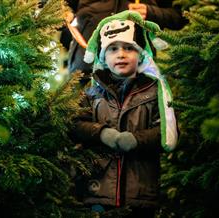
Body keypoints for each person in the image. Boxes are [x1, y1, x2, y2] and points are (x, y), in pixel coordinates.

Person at [69, 11, 178, 217]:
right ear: (103, 56)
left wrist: (137, 139)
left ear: (141, 55)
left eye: (129, 48)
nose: (121, 54)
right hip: (97, 190)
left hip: (140, 194)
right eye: (113, 49)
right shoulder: (91, 92)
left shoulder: (155, 92)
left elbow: (164, 130)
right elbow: (74, 124)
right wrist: (101, 133)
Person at [61, 0, 187, 84]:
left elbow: (182, 15)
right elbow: (59, 6)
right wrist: (64, 13)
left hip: (138, 66)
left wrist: (151, 12)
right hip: (86, 63)